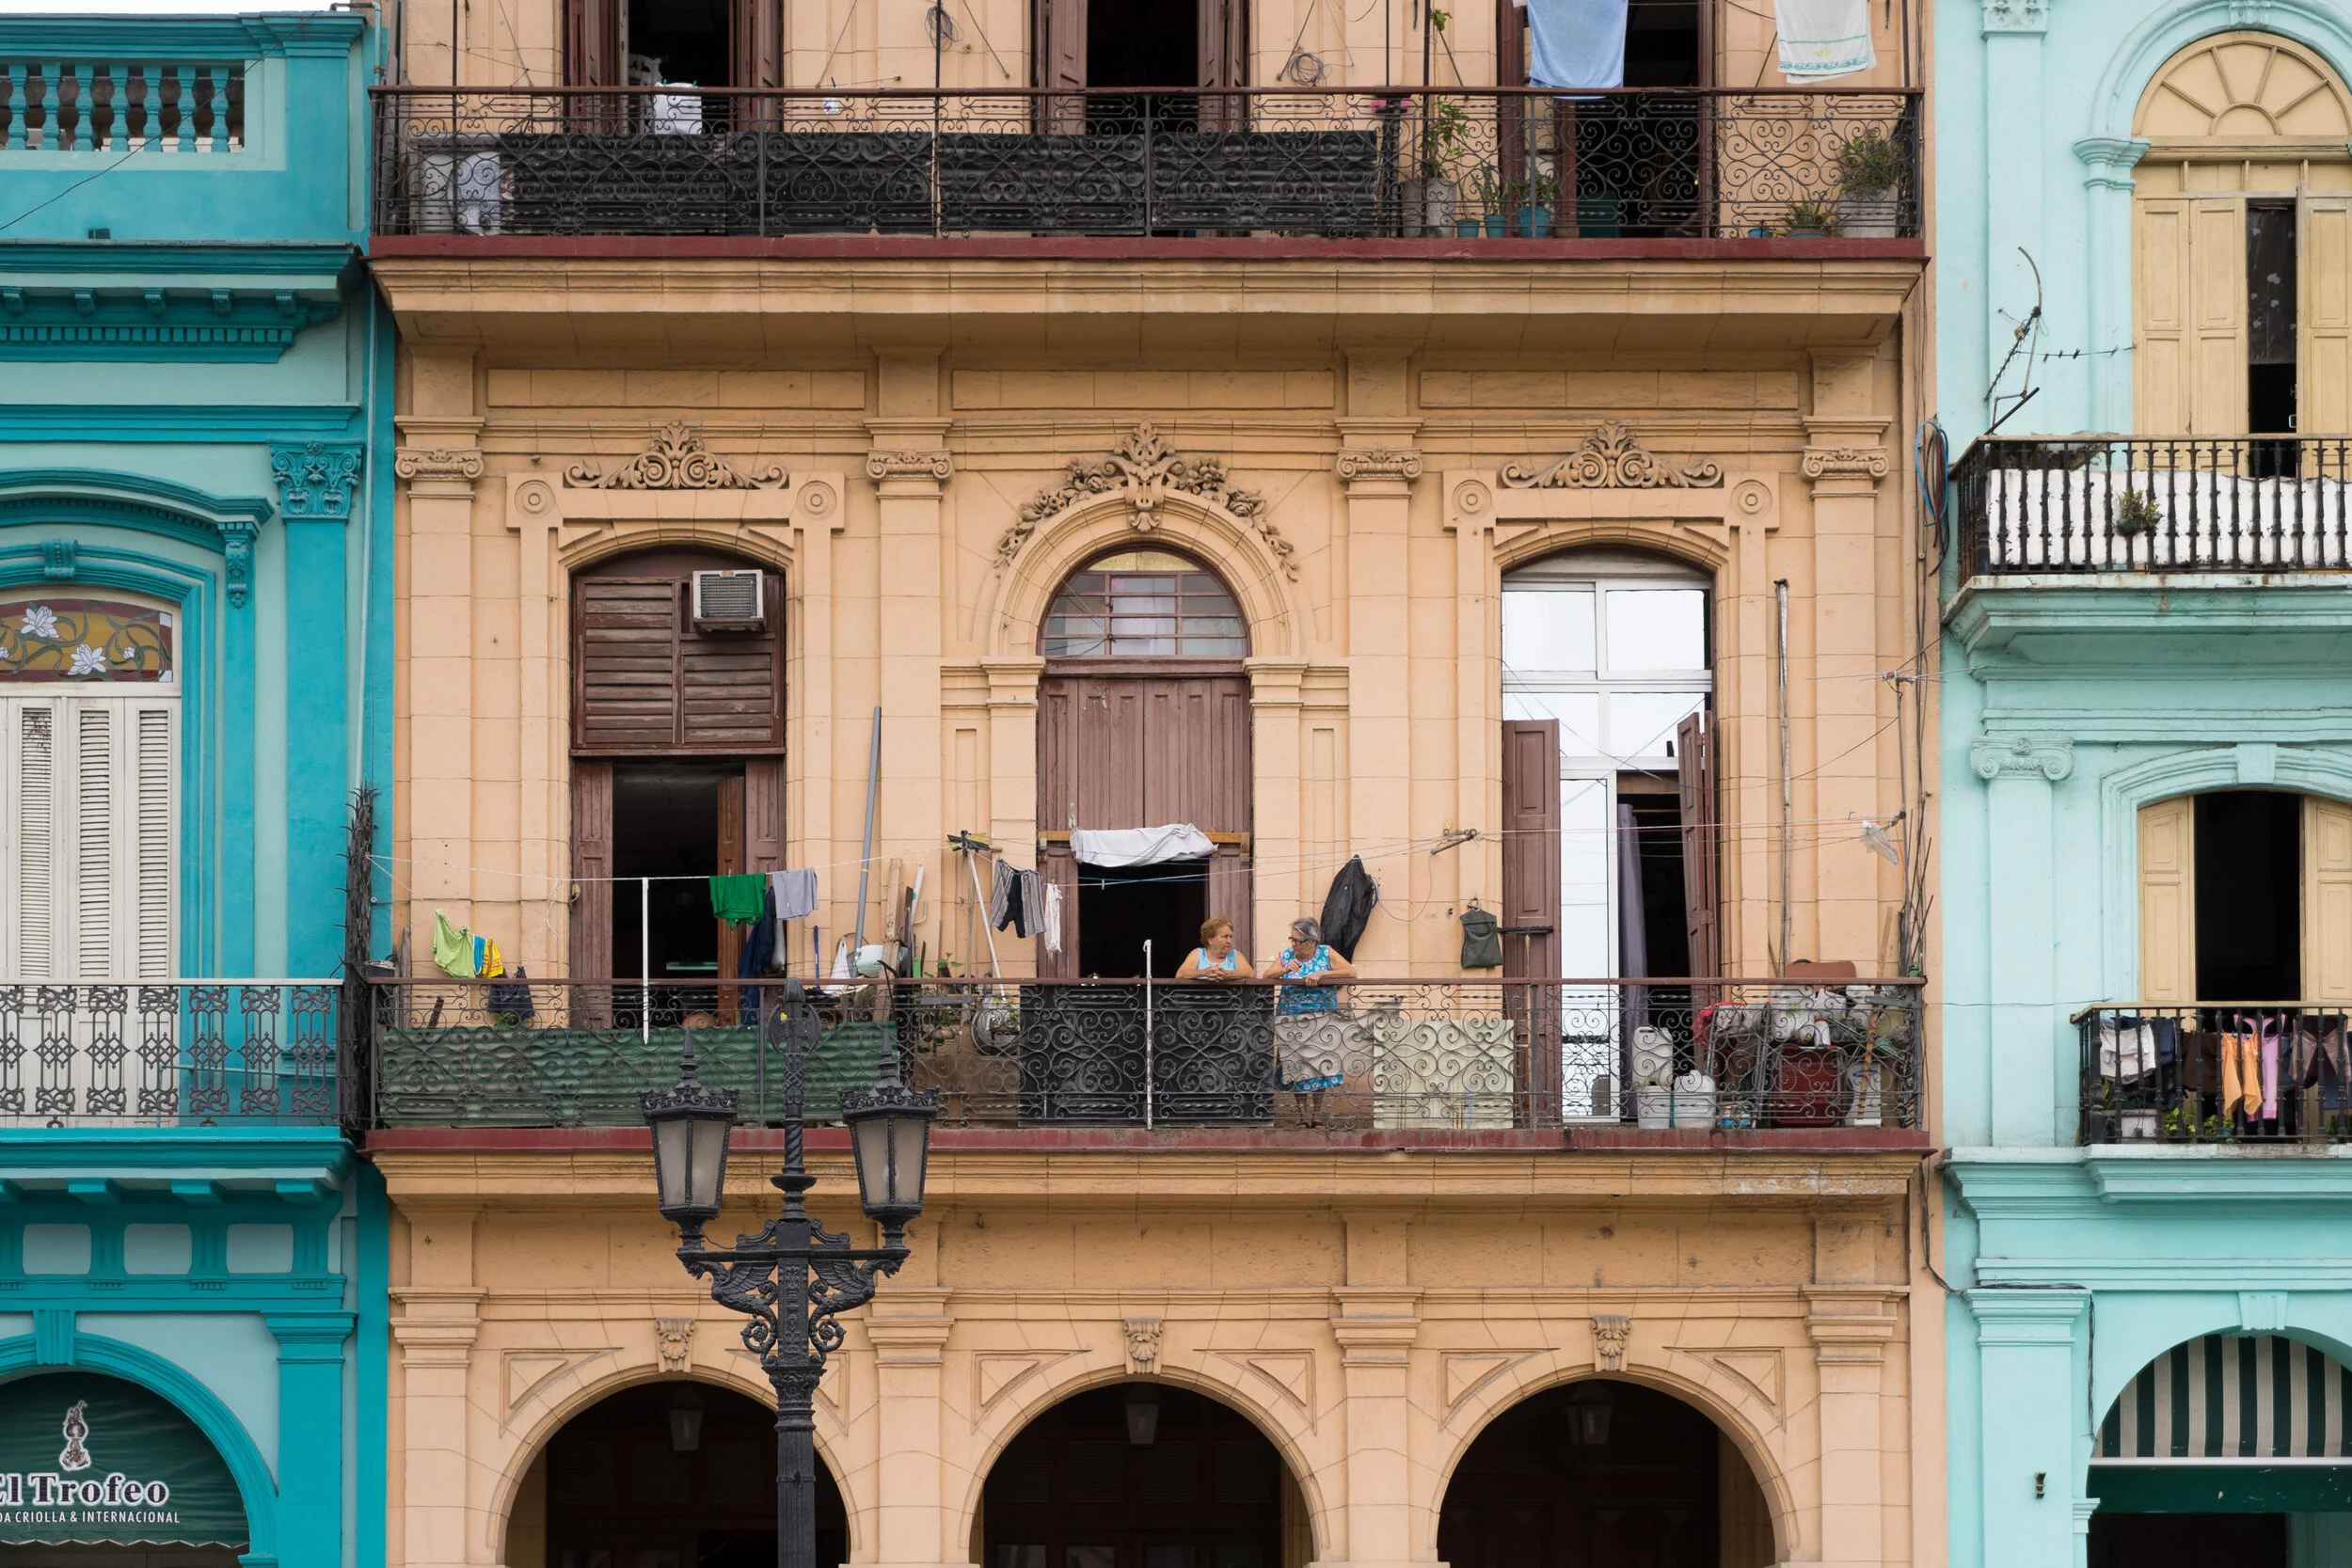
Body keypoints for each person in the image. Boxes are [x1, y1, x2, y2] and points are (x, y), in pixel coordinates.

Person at [1261, 915, 1358, 1127]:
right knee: (1297, 1067)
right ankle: (1303, 1117)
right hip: (1292, 1018)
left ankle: (1317, 1115)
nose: (1293, 944)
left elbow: (1351, 972)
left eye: (1298, 941)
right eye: (1292, 939)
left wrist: (1323, 973)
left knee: (1319, 1066)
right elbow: (1266, 976)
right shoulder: (1287, 955)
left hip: (1321, 1018)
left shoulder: (1326, 953)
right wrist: (1285, 969)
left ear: (1311, 941)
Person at [1175, 916, 1253, 981]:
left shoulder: (1235, 955)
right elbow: (1181, 974)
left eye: (1230, 937)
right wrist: (1205, 972)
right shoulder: (1198, 954)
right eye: (1225, 937)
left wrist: (1226, 974)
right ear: (1210, 940)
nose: (1229, 941)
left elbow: (1250, 973)